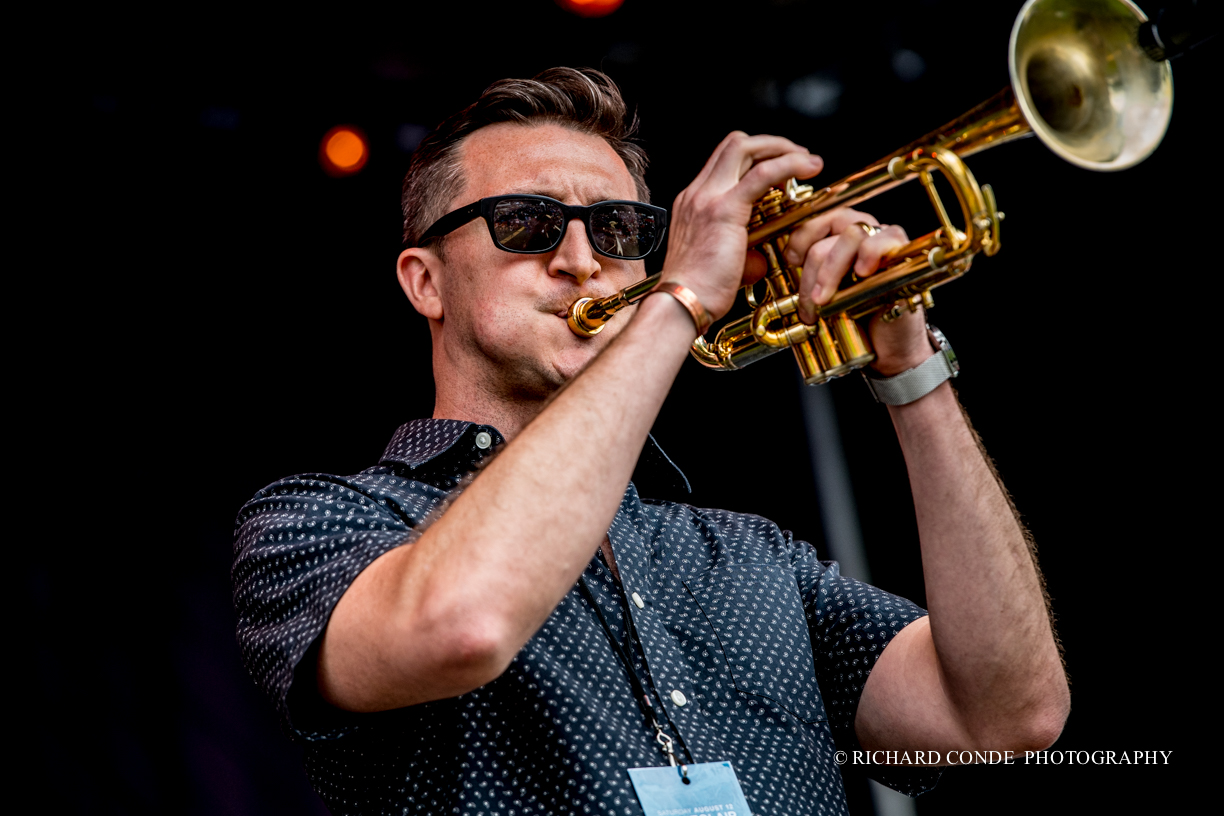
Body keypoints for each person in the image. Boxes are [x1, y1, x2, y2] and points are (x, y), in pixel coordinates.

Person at [233, 67, 1069, 815]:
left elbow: (1002, 716)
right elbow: (465, 624)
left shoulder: (754, 555)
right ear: (425, 281)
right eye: (526, 222)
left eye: (618, 229)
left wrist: (910, 366)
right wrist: (678, 301)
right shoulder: (319, 523)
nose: (580, 259)